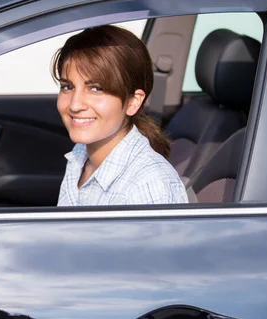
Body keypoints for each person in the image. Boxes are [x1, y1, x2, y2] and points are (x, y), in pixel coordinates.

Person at [52, 25, 188, 206]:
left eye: (96, 89)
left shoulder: (148, 187)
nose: (75, 105)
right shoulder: (81, 154)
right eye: (67, 87)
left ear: (133, 102)